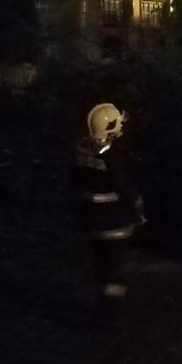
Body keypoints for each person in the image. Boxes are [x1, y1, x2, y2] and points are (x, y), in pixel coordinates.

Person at [72, 102, 146, 302]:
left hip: (92, 224)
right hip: (116, 225)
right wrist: (139, 213)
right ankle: (109, 314)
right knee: (114, 274)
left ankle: (102, 305)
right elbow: (126, 189)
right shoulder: (114, 159)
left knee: (101, 269)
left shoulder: (83, 155)